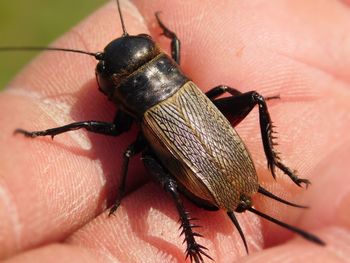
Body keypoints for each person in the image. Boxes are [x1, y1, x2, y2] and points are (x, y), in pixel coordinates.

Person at [1, 1, 349, 262]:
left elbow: (116, 140)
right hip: (206, 170)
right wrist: (167, 33)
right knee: (252, 99)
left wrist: (45, 133)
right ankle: (274, 172)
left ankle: (194, 246)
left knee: (156, 173)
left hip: (207, 175)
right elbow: (176, 41)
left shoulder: (123, 98)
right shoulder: (171, 62)